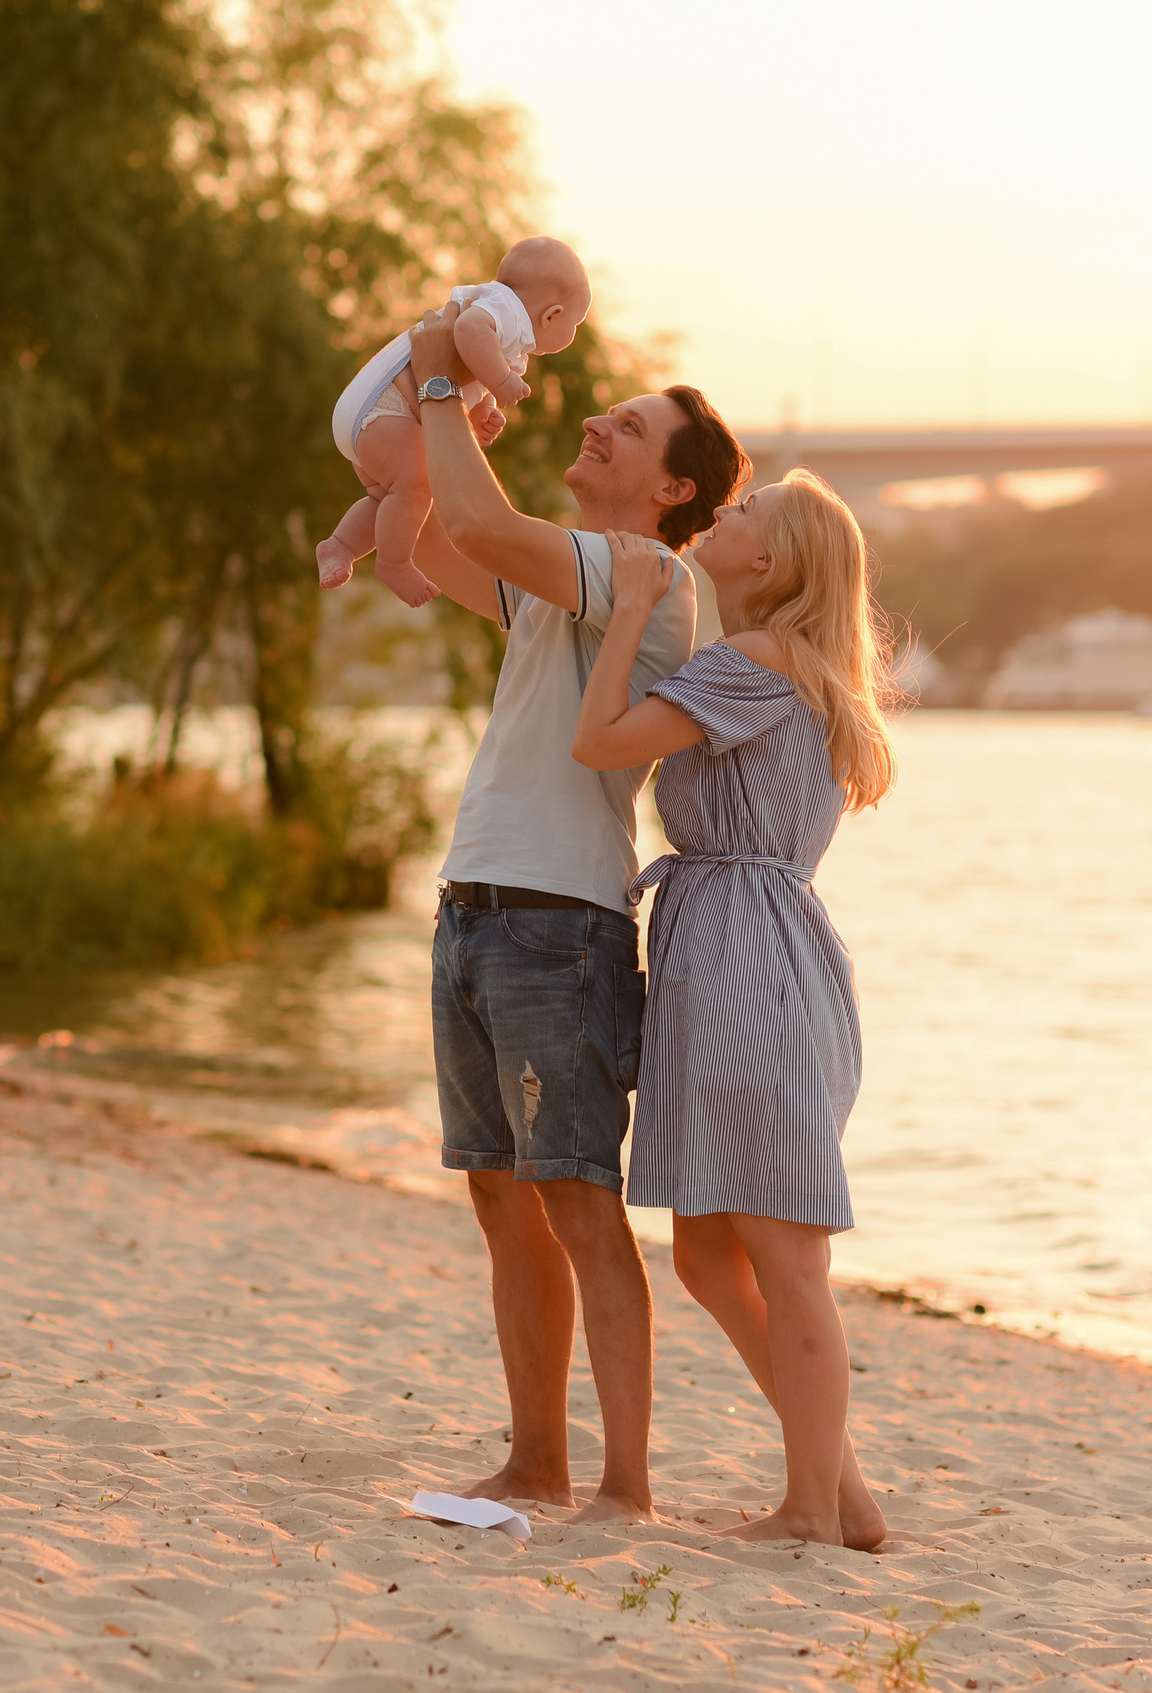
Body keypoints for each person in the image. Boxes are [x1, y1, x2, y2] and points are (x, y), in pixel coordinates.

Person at [399, 303, 749, 1523]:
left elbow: (483, 520)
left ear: (672, 486)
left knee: (578, 1202)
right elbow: (438, 542)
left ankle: (626, 1486)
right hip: (476, 904)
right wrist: (411, 413)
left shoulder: (648, 579)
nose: (600, 419)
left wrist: (444, 387)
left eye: (631, 426)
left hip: (559, 921)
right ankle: (535, 1463)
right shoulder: (566, 578)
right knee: (502, 1194)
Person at [569, 470, 899, 1551]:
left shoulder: (754, 662)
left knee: (783, 1254)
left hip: (746, 959)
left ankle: (808, 1506)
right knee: (711, 1256)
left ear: (772, 562)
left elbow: (603, 739)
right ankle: (841, 1493)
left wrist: (624, 608)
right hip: (739, 949)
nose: (725, 514)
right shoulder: (778, 668)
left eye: (745, 516)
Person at [317, 237, 593, 607]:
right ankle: (394, 563)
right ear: (553, 315)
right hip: (386, 406)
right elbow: (468, 333)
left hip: (374, 416)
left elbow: (466, 367)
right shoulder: (507, 309)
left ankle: (341, 546)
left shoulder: (503, 325)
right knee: (418, 486)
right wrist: (502, 381)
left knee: (389, 496)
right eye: (575, 323)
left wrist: (482, 409)